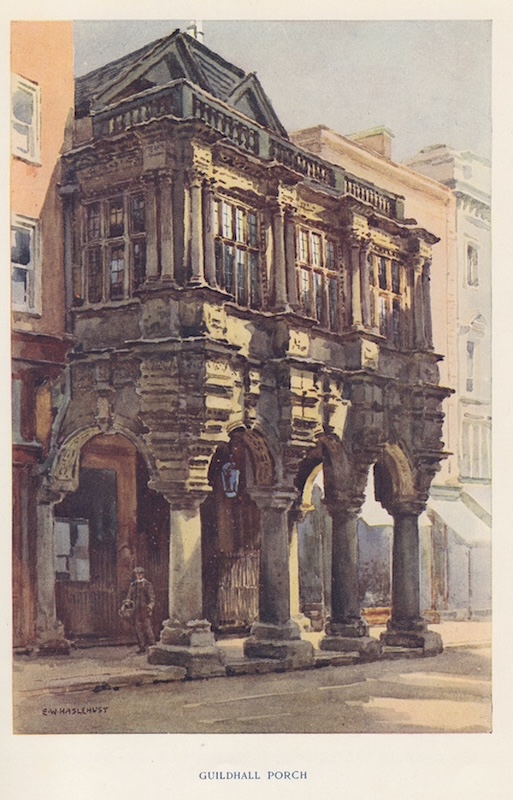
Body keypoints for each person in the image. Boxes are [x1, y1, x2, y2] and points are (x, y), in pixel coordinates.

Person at [125, 566, 156, 653]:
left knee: (148, 628)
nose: (138, 576)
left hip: (144, 610)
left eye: (140, 574)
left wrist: (150, 607)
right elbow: (129, 596)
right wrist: (127, 603)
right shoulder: (133, 585)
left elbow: (152, 598)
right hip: (135, 610)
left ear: (143, 574)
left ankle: (153, 647)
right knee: (138, 628)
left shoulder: (147, 584)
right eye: (137, 574)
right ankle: (141, 647)